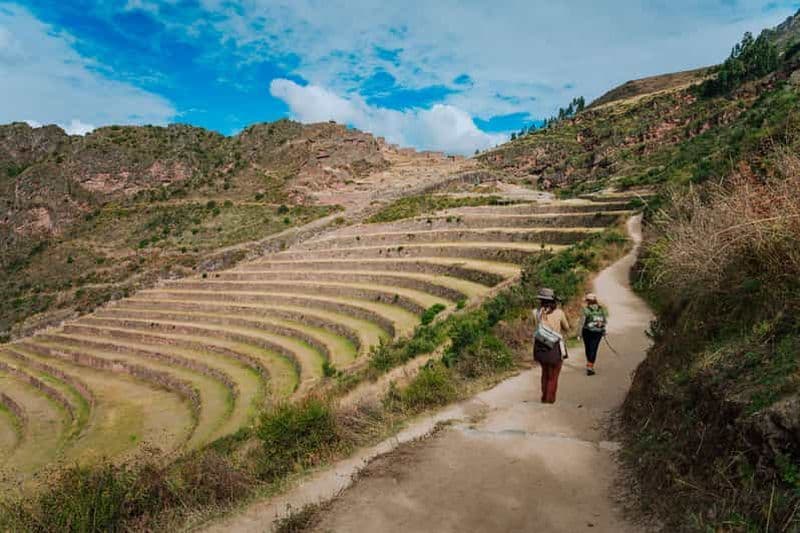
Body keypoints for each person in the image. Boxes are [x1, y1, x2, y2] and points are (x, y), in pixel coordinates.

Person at [533, 288, 570, 403]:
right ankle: (550, 399)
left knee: (545, 372)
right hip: (554, 347)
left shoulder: (535, 312)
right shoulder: (559, 313)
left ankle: (544, 397)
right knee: (553, 375)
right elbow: (567, 327)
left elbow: (536, 327)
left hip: (540, 347)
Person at [579, 292, 608, 376]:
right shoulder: (601, 309)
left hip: (587, 331)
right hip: (598, 332)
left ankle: (589, 365)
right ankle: (590, 365)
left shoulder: (586, 310)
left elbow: (582, 322)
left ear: (588, 301)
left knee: (588, 348)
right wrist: (603, 330)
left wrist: (579, 334)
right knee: (594, 348)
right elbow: (604, 321)